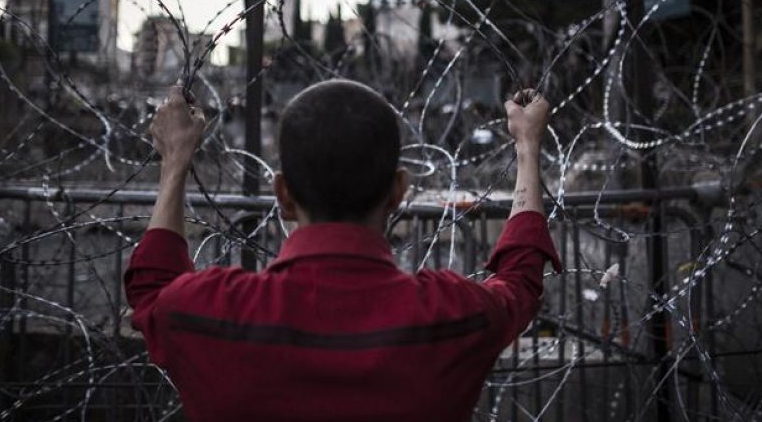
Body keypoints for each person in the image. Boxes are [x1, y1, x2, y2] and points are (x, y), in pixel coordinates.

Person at [124, 79, 560, 422]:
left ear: (283, 195)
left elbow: (152, 288)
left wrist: (176, 158)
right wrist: (527, 147)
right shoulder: (452, 315)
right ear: (398, 192)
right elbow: (520, 279)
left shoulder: (213, 310)